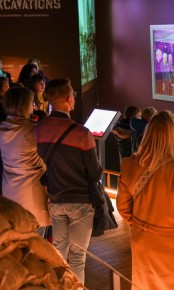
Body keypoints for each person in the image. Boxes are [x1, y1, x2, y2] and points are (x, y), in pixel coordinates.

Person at [117, 110, 174, 290]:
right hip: (173, 247)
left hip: (141, 242)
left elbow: (123, 208)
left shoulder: (129, 164)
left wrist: (141, 226)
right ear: (172, 136)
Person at [35, 79, 102, 284]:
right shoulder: (82, 133)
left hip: (55, 197)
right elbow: (95, 172)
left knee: (58, 254)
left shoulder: (40, 128)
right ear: (67, 99)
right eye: (72, 94)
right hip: (80, 200)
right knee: (78, 258)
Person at [0, 87, 51, 233]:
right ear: (24, 105)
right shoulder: (33, 131)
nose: (33, 106)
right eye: (31, 102)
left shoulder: (2, 128)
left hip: (10, 190)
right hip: (33, 192)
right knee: (36, 242)